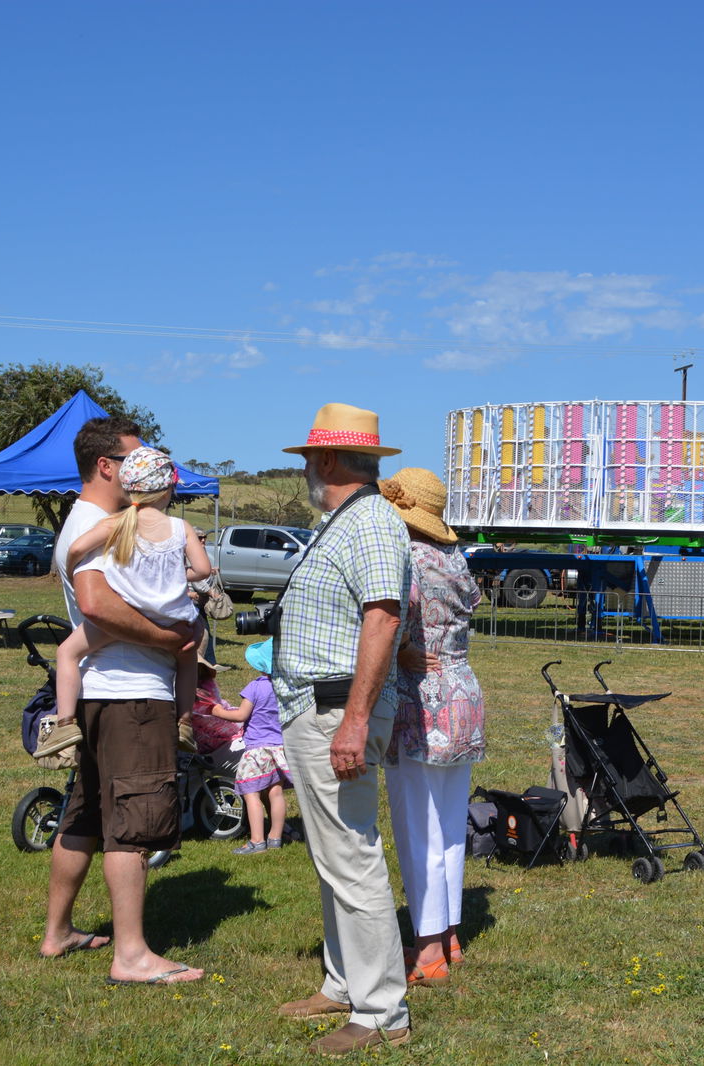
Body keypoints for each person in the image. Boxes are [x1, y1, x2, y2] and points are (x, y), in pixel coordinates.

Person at [39, 417, 204, 985]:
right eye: (134, 458)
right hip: (132, 694)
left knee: (86, 815)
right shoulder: (100, 524)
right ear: (107, 466)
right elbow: (96, 604)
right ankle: (131, 956)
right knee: (135, 823)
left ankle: (58, 932)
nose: (141, 468)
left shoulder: (99, 523)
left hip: (101, 692)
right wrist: (171, 638)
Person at [270, 403, 413, 1055]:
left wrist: (354, 721)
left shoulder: (371, 521)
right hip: (321, 708)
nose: (306, 470)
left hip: (337, 711)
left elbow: (383, 618)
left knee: (351, 858)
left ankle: (381, 1010)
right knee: (333, 857)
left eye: (308, 459)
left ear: (325, 459)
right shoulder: (348, 521)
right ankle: (343, 984)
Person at [379, 468, 486, 989]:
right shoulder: (455, 559)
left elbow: (390, 623)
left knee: (418, 830)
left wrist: (402, 650)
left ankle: (428, 953)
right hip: (463, 693)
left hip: (421, 700)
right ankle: (450, 936)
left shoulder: (406, 558)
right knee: (447, 826)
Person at [44, 447, 212, 749]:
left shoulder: (117, 523)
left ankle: (65, 723)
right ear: (168, 489)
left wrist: (70, 568)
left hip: (128, 614)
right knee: (187, 659)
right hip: (173, 617)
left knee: (67, 652)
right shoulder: (181, 527)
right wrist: (176, 575)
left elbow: (77, 548)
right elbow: (202, 570)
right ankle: (185, 722)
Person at [210, 638, 293, 854]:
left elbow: (241, 715)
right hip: (279, 749)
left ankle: (257, 841)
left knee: (251, 792)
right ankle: (275, 837)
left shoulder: (255, 687)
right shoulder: (286, 688)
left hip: (256, 750)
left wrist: (217, 711)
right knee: (275, 792)